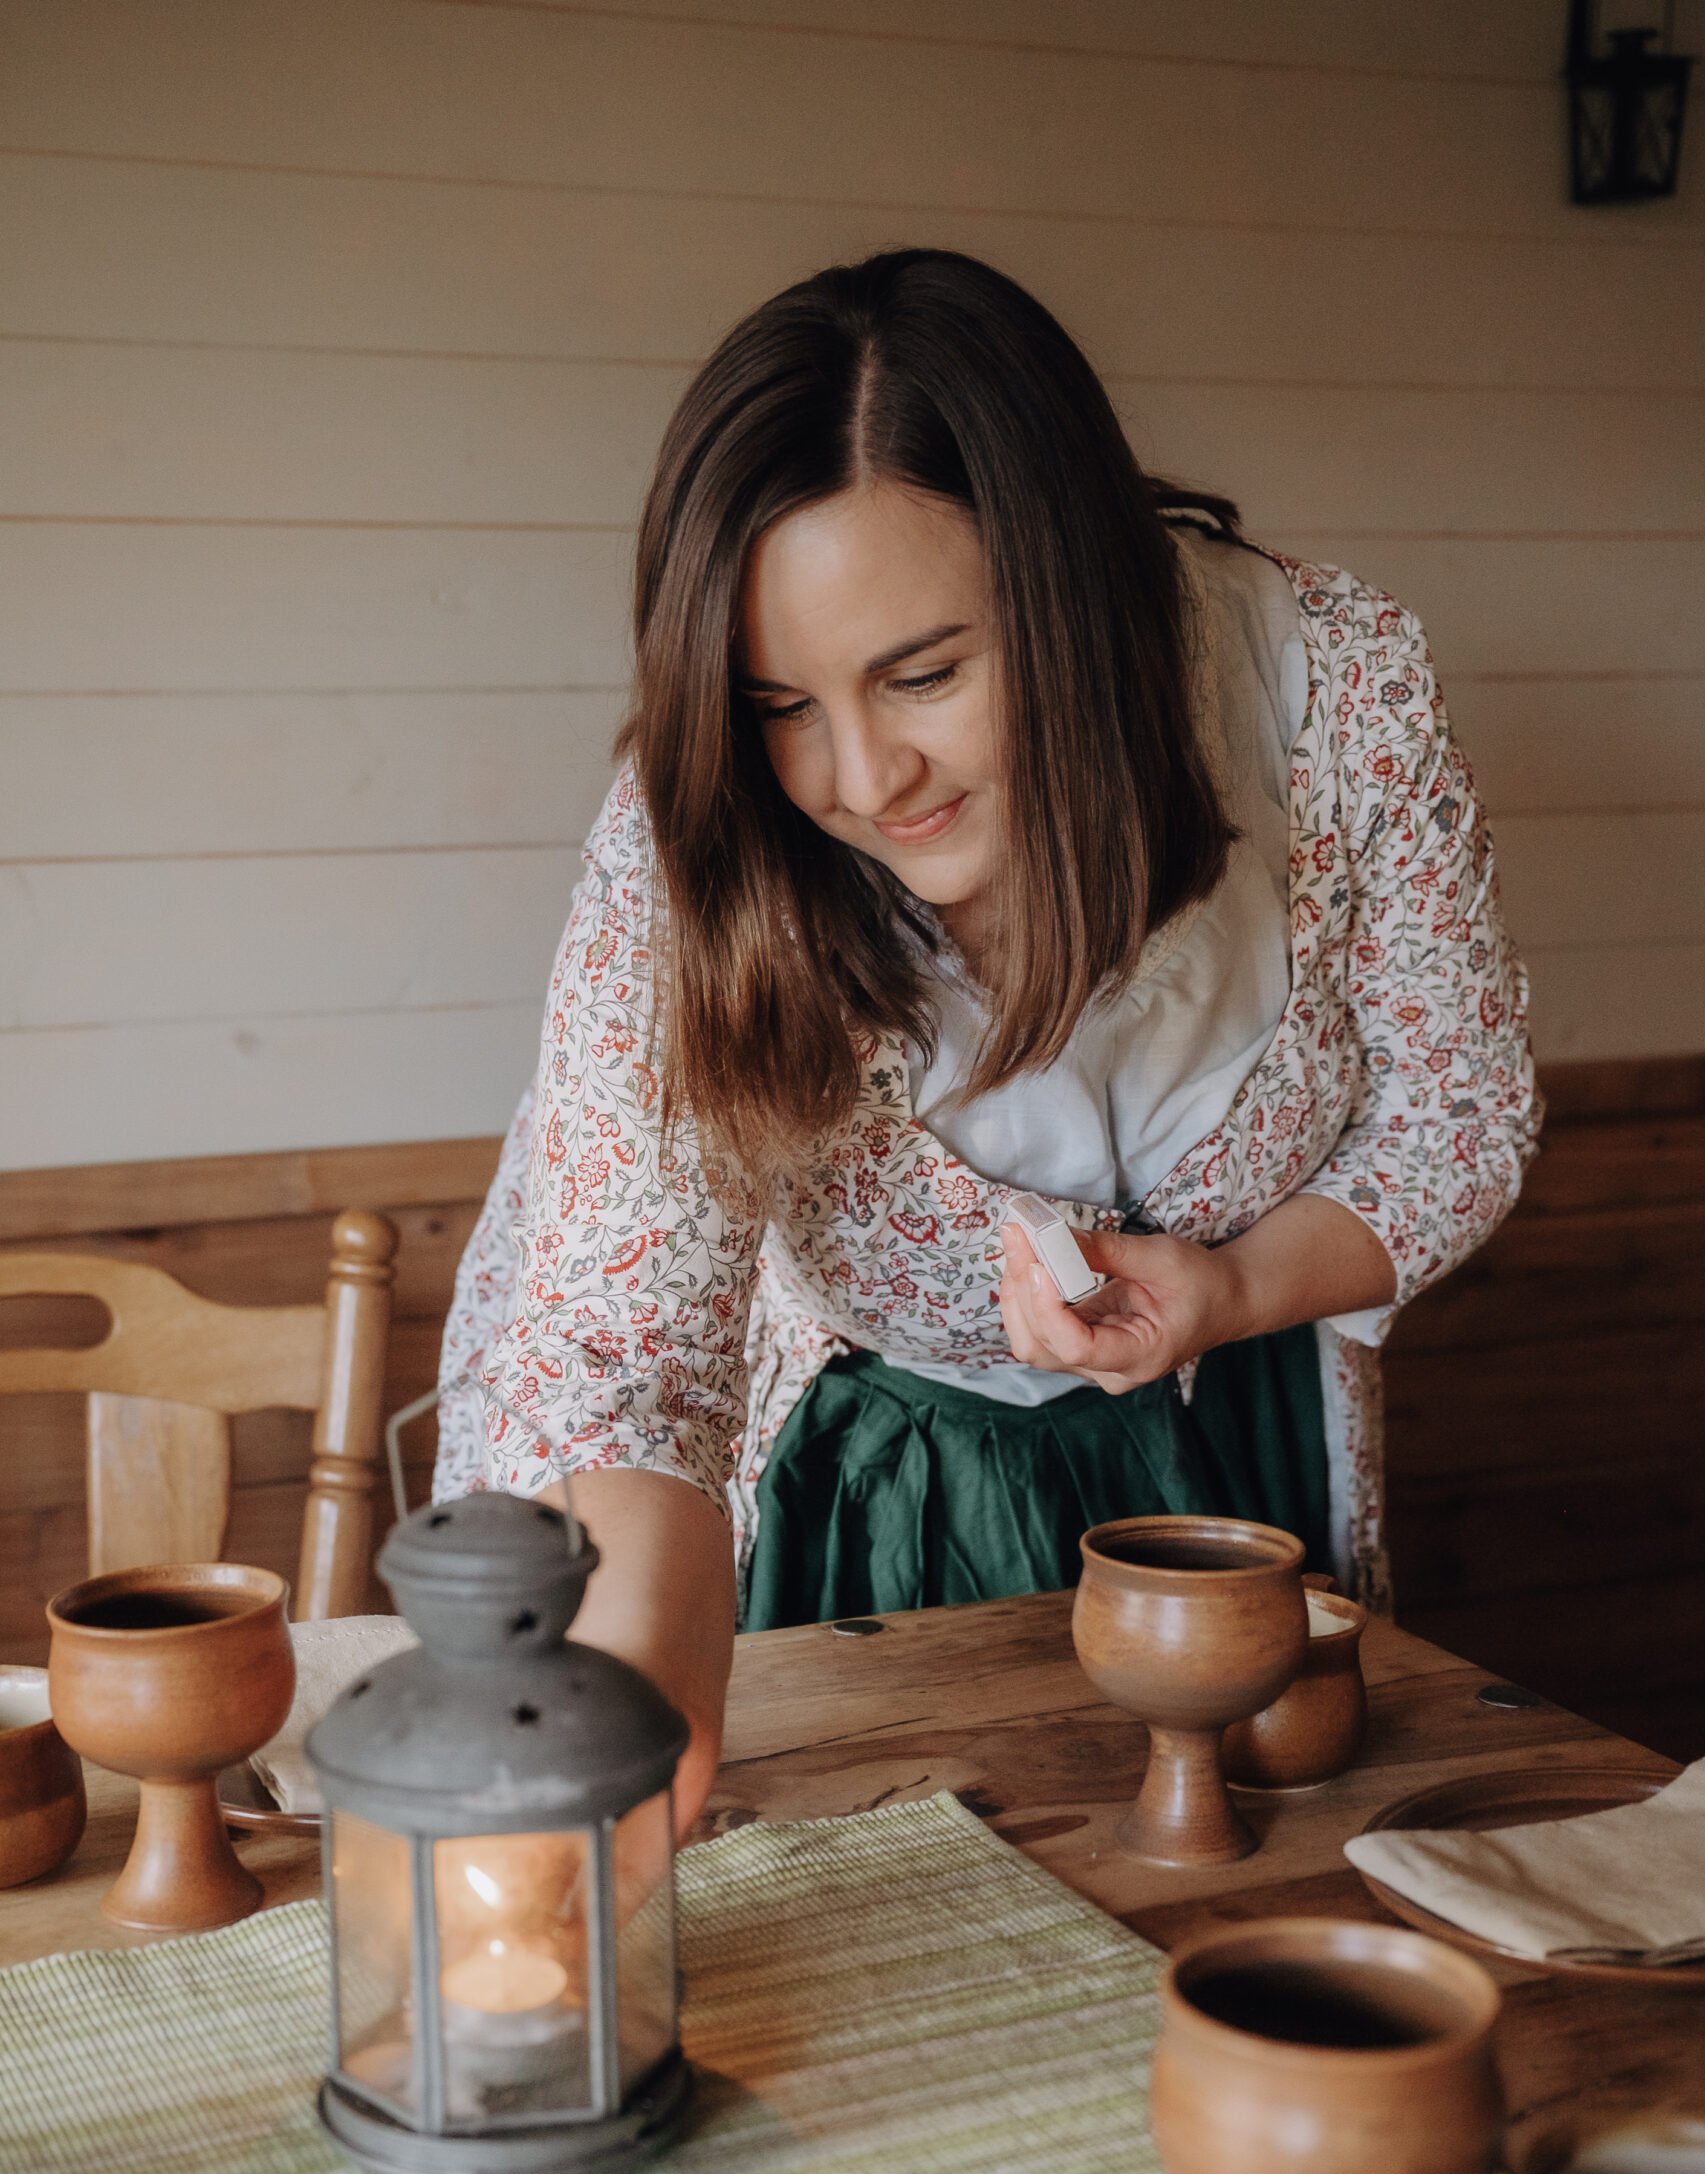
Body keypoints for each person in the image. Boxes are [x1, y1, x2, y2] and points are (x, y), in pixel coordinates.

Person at [434, 250, 1539, 1832]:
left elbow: (1458, 1118)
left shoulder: (1327, 689)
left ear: (1081, 592)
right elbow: (622, 1351)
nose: (866, 775)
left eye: (925, 675)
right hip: (870, 1501)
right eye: (778, 703)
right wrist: (644, 1698)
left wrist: (1233, 1289)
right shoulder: (693, 835)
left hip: (1241, 1478)